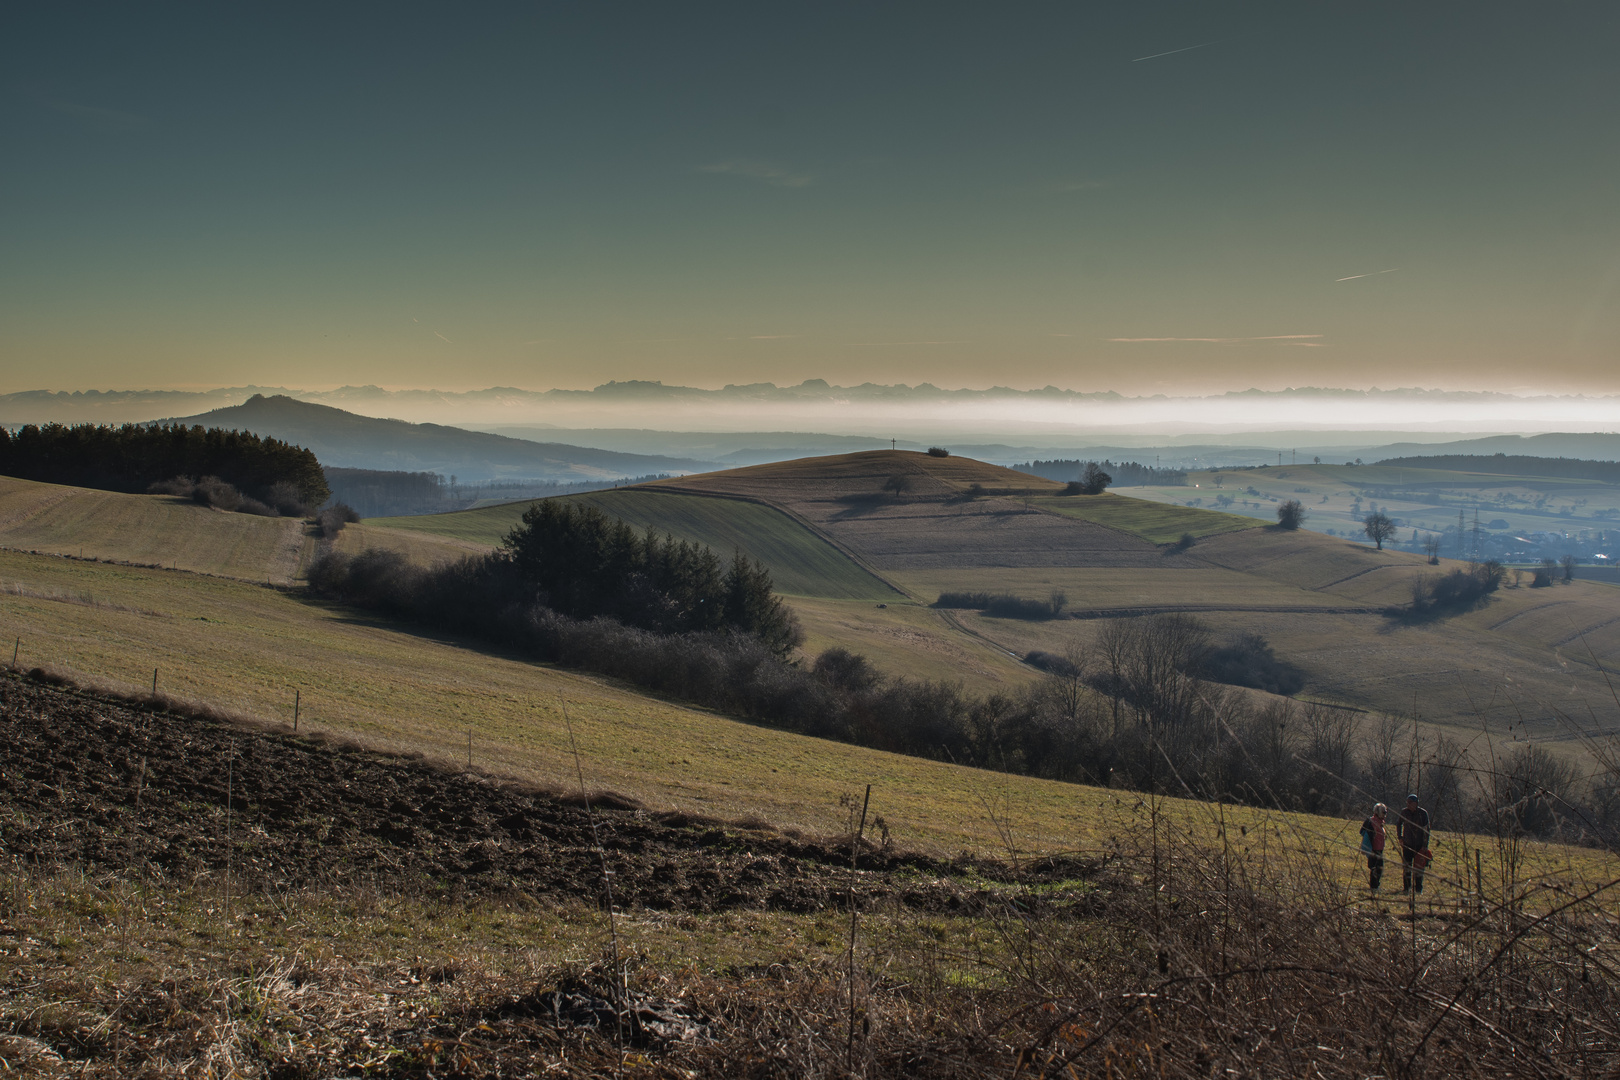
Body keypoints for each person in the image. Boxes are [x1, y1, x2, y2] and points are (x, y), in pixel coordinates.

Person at [1397, 794, 1431, 894]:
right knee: (1407, 867)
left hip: (1419, 845)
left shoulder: (1423, 813)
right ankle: (1406, 888)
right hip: (1407, 844)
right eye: (1407, 802)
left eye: (1410, 802)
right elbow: (1399, 823)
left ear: (1415, 803)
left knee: (1419, 868)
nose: (1408, 804)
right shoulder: (1404, 812)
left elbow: (1426, 830)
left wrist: (1425, 845)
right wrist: (1400, 837)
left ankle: (1418, 889)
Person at [1359, 803, 1388, 890]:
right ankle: (1374, 887)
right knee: (1374, 868)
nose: (1385, 814)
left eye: (1385, 812)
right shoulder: (1371, 822)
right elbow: (1363, 832)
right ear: (1377, 812)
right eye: (1383, 812)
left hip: (1380, 849)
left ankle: (1376, 885)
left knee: (1379, 868)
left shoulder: (1381, 822)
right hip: (1373, 849)